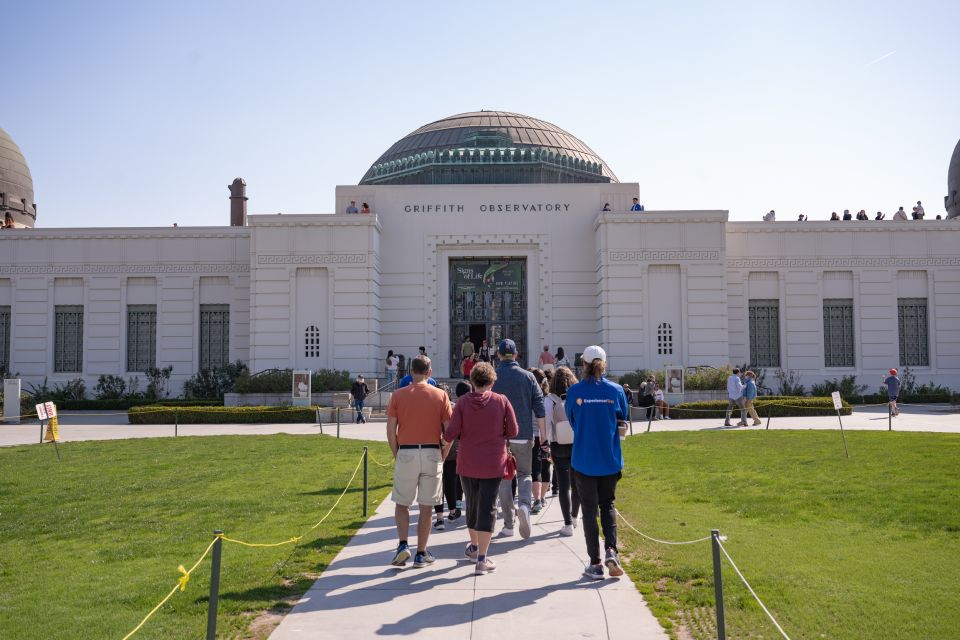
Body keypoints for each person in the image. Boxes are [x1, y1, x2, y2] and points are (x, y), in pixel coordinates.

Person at [444, 362, 518, 575]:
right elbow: (513, 430)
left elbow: (451, 433)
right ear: (492, 381)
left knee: (472, 505)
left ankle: (475, 547)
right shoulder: (501, 401)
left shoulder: (463, 403)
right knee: (488, 508)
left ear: (472, 381)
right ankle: (482, 558)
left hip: (467, 462)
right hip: (493, 462)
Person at [565, 345, 628, 579]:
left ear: (584, 365)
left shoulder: (574, 392)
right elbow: (623, 419)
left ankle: (595, 562)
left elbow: (572, 420)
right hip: (610, 460)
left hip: (584, 460)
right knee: (608, 505)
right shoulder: (616, 390)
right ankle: (611, 550)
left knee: (589, 512)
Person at [385, 355, 453, 568]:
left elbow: (390, 430)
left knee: (402, 503)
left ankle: (403, 545)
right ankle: (421, 553)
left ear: (410, 372)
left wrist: (397, 453)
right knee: (426, 506)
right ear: (429, 372)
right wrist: (444, 452)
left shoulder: (398, 395)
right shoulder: (441, 395)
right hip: (432, 451)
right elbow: (449, 431)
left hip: (407, 451)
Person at [492, 339, 545, 540]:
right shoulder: (528, 377)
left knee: (504, 479)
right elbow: (539, 409)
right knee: (525, 474)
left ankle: (508, 524)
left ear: (498, 355)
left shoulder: (493, 377)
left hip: (499, 438)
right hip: (523, 434)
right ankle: (524, 504)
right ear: (515, 355)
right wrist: (544, 439)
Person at [545, 366, 579, 536]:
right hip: (576, 443)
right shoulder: (576, 396)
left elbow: (547, 425)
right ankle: (574, 517)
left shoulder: (549, 400)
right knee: (577, 483)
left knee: (563, 486)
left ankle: (567, 524)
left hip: (558, 444)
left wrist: (549, 442)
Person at [434, 382, 470, 530]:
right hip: (454, 450)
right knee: (452, 483)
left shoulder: (434, 408)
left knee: (438, 486)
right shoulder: (456, 407)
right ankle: (454, 510)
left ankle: (440, 517)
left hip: (437, 449)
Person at [529, 368, 552, 514]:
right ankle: (542, 498)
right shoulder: (549, 399)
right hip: (547, 437)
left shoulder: (529, 397)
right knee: (545, 468)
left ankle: (537, 499)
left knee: (535, 469)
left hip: (533, 436)